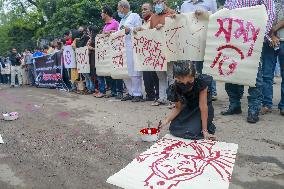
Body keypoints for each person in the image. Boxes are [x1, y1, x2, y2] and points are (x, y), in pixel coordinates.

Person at [220, 0, 275, 123]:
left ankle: (253, 109)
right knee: (231, 73)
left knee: (254, 76)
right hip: (233, 38)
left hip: (253, 39)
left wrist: (258, 34)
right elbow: (225, 11)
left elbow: (270, 14)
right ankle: (234, 105)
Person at [159, 60, 216, 140]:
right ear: (176, 78)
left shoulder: (201, 82)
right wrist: (167, 120)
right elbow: (178, 108)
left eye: (190, 81)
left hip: (201, 108)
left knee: (191, 132)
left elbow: (203, 107)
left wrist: (205, 131)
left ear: (194, 76)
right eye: (181, 82)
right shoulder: (175, 87)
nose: (186, 84)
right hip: (188, 107)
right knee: (175, 128)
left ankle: (205, 125)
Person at [180, 0, 218, 101]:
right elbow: (181, 21)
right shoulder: (184, 5)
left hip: (205, 39)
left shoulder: (210, 2)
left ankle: (211, 91)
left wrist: (204, 14)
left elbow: (216, 17)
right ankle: (195, 91)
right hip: (190, 40)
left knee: (205, 67)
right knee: (191, 67)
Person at [149, 0, 176, 106]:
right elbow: (150, 32)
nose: (156, 5)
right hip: (157, 51)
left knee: (171, 75)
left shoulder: (172, 13)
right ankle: (162, 98)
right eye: (154, 3)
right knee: (161, 76)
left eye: (158, 2)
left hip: (169, 50)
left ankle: (173, 99)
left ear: (164, 2)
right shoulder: (153, 17)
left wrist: (164, 27)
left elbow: (177, 29)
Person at [117, 0, 144, 102]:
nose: (118, 10)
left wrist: (130, 29)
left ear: (123, 8)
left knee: (134, 71)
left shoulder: (134, 16)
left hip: (132, 47)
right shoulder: (122, 20)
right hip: (122, 48)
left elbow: (140, 29)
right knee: (125, 71)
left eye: (118, 8)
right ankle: (131, 92)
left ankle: (138, 94)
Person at [262, 0, 284, 116]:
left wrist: (273, 30)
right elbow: (261, 16)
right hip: (268, 40)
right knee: (266, 74)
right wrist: (271, 35)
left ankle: (283, 106)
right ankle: (266, 104)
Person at [140, 3, 160, 101]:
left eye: (145, 9)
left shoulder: (155, 19)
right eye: (142, 10)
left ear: (151, 10)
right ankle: (150, 94)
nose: (143, 11)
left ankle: (158, 95)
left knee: (155, 75)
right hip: (145, 52)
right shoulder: (143, 22)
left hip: (154, 51)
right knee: (146, 75)